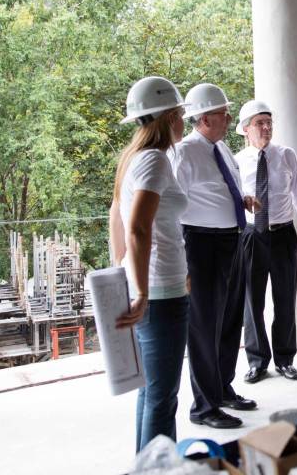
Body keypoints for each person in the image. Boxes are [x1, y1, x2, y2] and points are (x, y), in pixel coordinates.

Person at [109, 76, 189, 452]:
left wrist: (122, 270)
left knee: (150, 392)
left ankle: (147, 463)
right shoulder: (155, 160)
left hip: (154, 287)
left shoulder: (134, 158)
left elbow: (116, 216)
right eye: (180, 115)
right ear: (168, 116)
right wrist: (140, 290)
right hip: (159, 294)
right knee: (162, 397)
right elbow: (138, 228)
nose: (183, 122)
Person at [170, 83, 257, 429]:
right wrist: (181, 261)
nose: (229, 118)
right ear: (204, 118)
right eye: (223, 113)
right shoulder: (184, 152)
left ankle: (221, 388)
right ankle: (204, 407)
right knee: (204, 327)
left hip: (229, 241)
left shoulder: (219, 148)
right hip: (200, 245)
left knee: (229, 319)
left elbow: (222, 189)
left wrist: (243, 200)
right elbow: (173, 207)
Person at [234, 100, 297, 384]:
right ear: (245, 130)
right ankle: (257, 362)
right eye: (259, 123)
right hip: (252, 236)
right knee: (252, 303)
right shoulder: (236, 161)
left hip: (284, 234)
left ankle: (285, 359)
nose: (266, 127)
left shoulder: (286, 155)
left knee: (285, 299)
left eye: (268, 122)